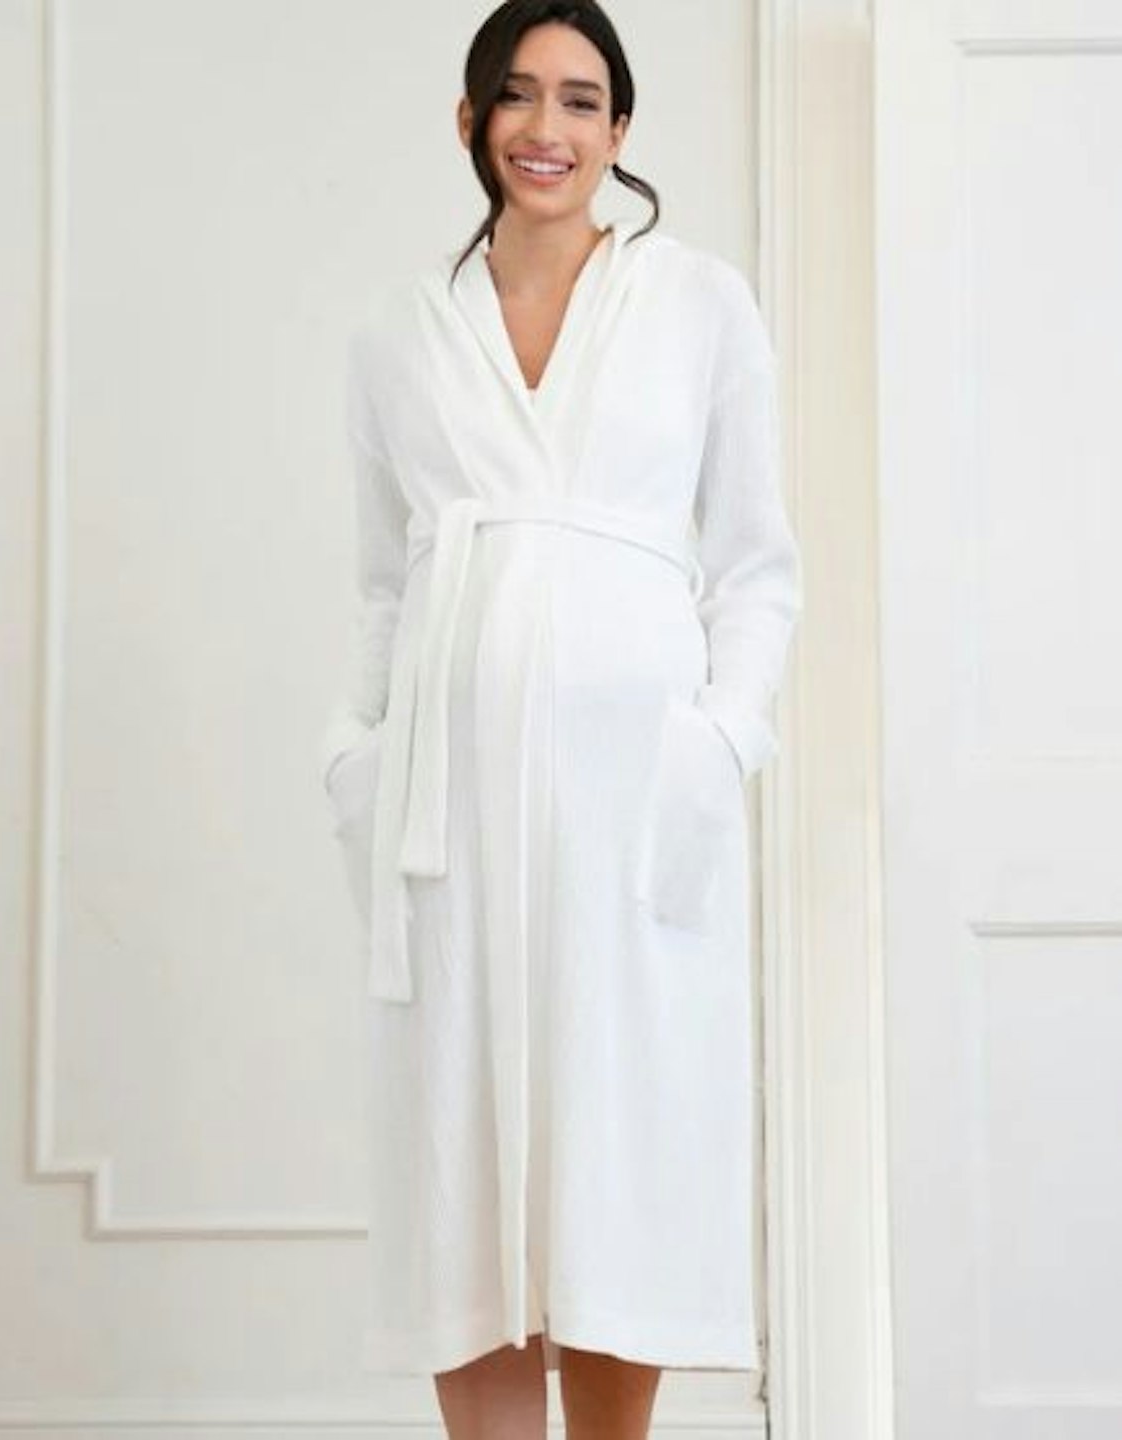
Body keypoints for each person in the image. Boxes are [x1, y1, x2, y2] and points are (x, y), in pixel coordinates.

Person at [318, 2, 801, 1435]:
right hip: (443, 816)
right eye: (518, 98)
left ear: (621, 132)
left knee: (618, 1165)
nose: (550, 129)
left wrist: (721, 744)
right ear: (469, 121)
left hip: (633, 804)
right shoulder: (399, 338)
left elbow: (759, 564)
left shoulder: (699, 306)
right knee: (461, 1183)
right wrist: (353, 760)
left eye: (583, 102)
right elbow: (381, 588)